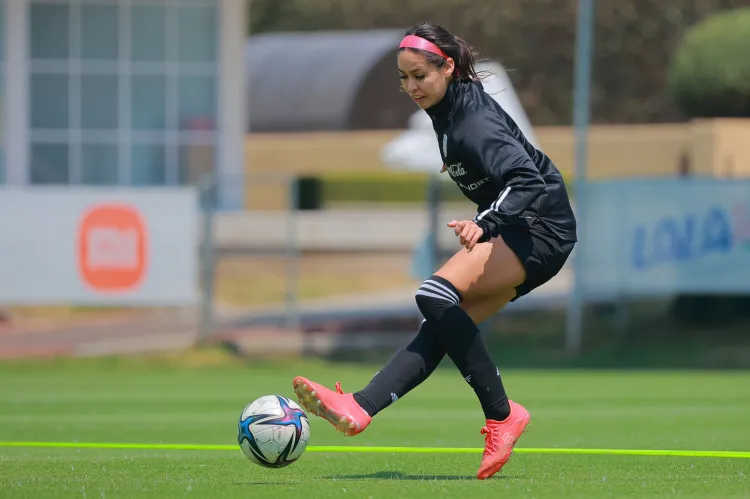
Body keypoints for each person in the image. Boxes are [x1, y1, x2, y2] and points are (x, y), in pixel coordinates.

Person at [292, 21, 577, 480]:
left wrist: (485, 223)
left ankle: (503, 414)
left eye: (419, 76)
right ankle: (361, 407)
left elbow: (528, 179)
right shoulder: (449, 107)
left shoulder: (472, 121)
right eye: (403, 78)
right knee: (440, 325)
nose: (411, 87)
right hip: (528, 226)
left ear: (447, 67)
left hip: (540, 227)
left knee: (434, 294)